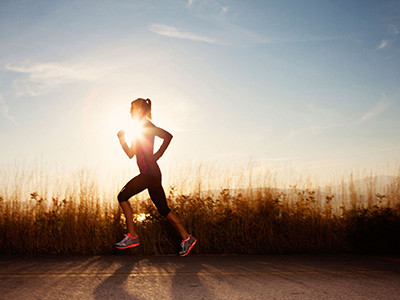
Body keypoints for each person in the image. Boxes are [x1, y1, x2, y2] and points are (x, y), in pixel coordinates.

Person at [115, 98, 196, 256]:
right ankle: (187, 238)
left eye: (131, 108)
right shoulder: (138, 129)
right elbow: (131, 154)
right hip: (152, 174)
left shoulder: (147, 126)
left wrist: (156, 156)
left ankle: (132, 236)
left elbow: (168, 136)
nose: (129, 111)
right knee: (164, 209)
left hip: (149, 173)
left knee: (122, 196)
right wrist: (122, 140)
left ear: (138, 110)